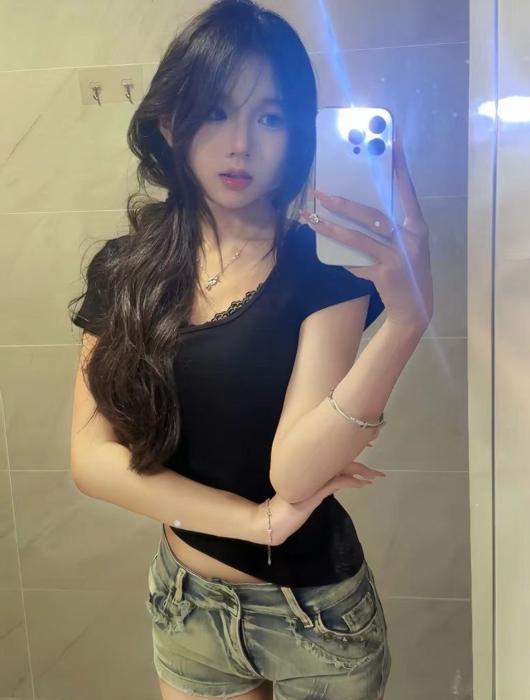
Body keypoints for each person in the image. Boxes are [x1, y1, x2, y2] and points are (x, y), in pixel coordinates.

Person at [69, 1, 433, 698]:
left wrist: (408, 322)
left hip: (315, 617)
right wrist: (250, 521)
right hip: (185, 603)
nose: (239, 144)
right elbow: (91, 458)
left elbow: (294, 474)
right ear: (171, 124)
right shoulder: (124, 270)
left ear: (297, 133)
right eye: (215, 112)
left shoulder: (325, 269)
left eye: (269, 118)